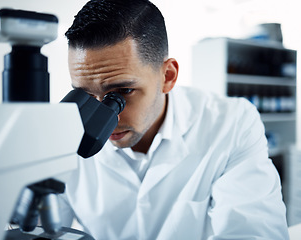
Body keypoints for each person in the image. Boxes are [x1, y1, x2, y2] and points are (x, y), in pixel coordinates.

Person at [59, 0, 289, 239]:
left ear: (167, 76)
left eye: (121, 93)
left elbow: (253, 232)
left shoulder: (231, 123)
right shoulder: (64, 133)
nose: (101, 119)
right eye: (85, 95)